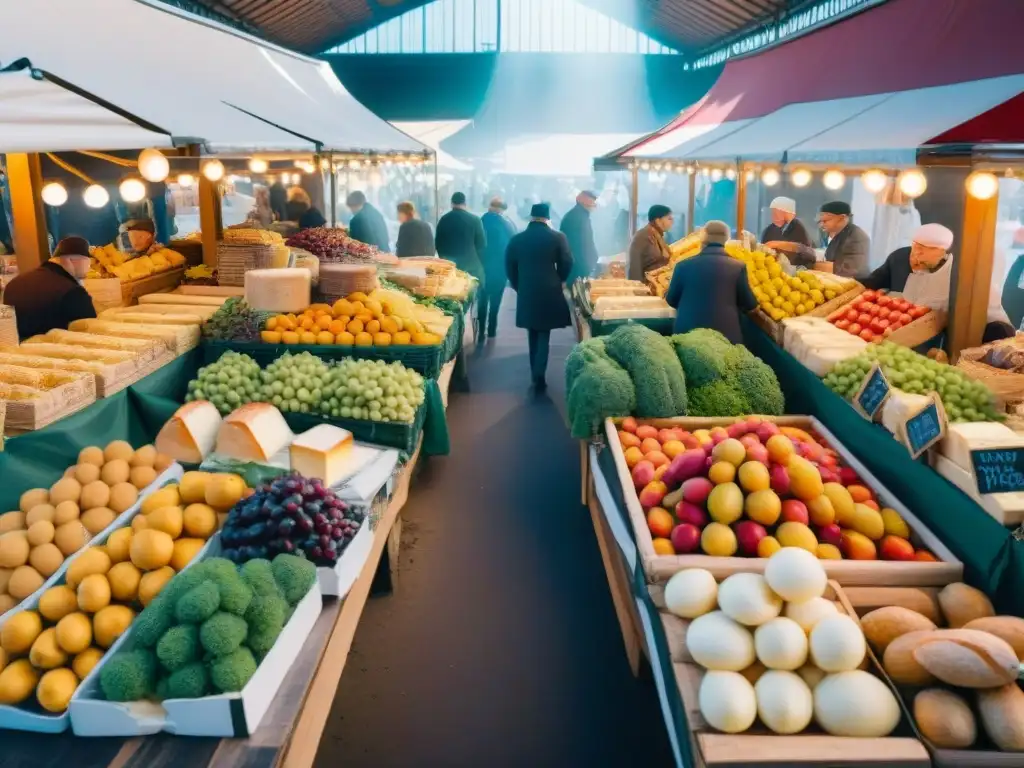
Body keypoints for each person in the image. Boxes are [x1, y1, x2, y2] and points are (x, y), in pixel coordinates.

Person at [863, 223, 1015, 342]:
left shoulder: (964, 275)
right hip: (903, 334)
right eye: (915, 246)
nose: (915, 254)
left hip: (950, 341)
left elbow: (995, 322)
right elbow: (873, 284)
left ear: (944, 252)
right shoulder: (901, 258)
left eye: (924, 249)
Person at [505, 203, 573, 391]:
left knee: (532, 329)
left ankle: (535, 371)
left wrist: (518, 285)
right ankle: (539, 374)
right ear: (547, 218)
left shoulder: (517, 239)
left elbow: (509, 266)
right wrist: (561, 279)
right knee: (544, 332)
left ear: (531, 217)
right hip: (550, 288)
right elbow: (567, 262)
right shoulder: (558, 237)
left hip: (527, 288)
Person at [665, 220, 758, 344]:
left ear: (703, 239)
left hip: (687, 336)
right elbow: (750, 304)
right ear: (727, 240)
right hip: (725, 338)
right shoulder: (738, 267)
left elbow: (671, 300)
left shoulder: (682, 266)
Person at [4, 236, 97, 340]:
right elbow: (91, 331)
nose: (89, 268)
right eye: (88, 262)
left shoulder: (15, 282)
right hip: (54, 353)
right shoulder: (73, 292)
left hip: (16, 352)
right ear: (73, 260)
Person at [479, 197, 517, 340]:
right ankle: (492, 329)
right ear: (502, 209)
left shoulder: (481, 221)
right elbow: (513, 245)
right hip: (500, 268)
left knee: (482, 299)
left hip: (483, 267)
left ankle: (481, 329)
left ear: (490, 206)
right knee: (495, 300)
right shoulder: (507, 224)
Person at [435, 192, 486, 284]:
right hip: (470, 265)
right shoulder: (475, 220)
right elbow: (481, 244)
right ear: (465, 203)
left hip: (450, 266)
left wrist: (444, 258)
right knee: (471, 291)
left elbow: (438, 243)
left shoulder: (443, 220)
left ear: (451, 203)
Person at [819, 201, 870, 278]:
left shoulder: (857, 236)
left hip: (856, 284)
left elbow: (851, 269)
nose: (822, 224)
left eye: (826, 220)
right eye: (821, 221)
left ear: (842, 218)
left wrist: (818, 266)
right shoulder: (838, 234)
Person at [559, 190, 599, 284]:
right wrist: (591, 263)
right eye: (592, 200)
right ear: (583, 200)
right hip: (578, 268)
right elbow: (584, 244)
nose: (594, 204)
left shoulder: (576, 215)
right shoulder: (578, 217)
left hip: (575, 266)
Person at [761, 196, 815, 265]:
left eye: (776, 212)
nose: (773, 216)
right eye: (773, 212)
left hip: (797, 270)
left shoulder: (798, 226)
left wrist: (778, 244)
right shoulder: (769, 230)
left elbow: (809, 254)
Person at [628, 205, 674, 281]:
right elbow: (634, 268)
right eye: (669, 218)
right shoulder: (642, 236)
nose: (672, 222)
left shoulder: (658, 236)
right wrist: (638, 289)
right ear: (658, 220)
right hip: (645, 287)